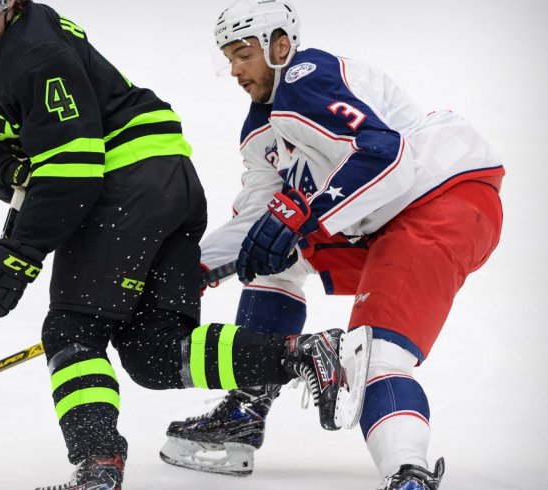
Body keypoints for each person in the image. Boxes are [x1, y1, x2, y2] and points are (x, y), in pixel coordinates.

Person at [0, 1, 372, 488]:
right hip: (168, 181)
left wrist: (14, 261)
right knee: (153, 353)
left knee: (73, 331)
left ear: (10, 3)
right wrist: (6, 169)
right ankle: (304, 354)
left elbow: (71, 176)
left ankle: (98, 468)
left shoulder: (37, 53)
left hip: (125, 184)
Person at [160, 1, 505, 489]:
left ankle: (409, 473)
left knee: (376, 360)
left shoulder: (306, 77)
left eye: (243, 54)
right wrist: (185, 270)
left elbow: (386, 155)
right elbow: (259, 221)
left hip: (439, 203)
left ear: (279, 46)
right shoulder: (261, 128)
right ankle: (245, 411)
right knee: (268, 260)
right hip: (378, 223)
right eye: (228, 57)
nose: (234, 70)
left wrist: (304, 217)